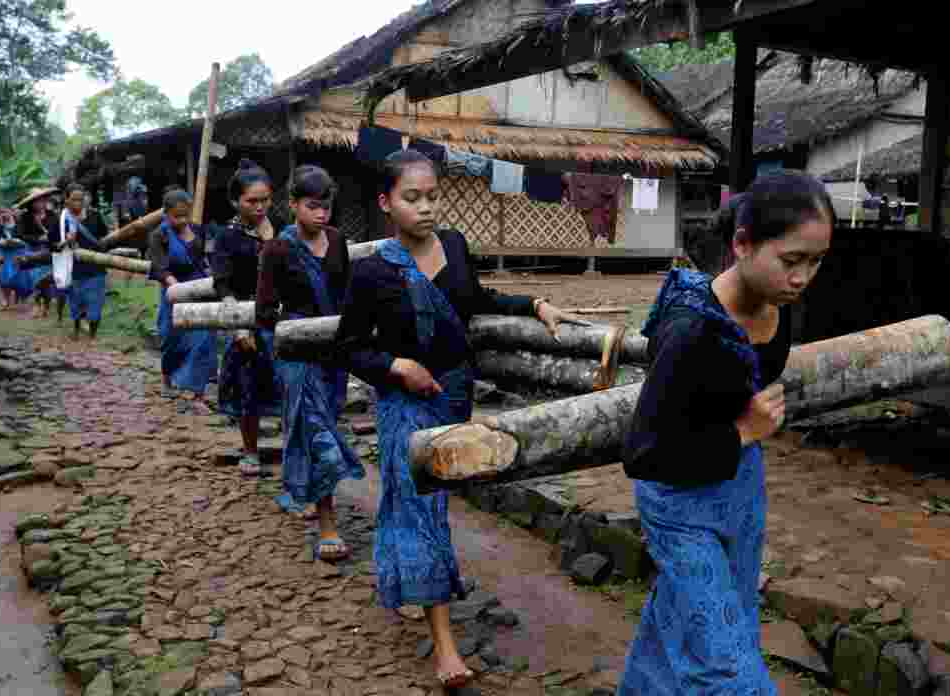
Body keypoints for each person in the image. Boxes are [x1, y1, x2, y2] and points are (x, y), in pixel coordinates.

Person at [334, 149, 584, 689]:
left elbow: (477, 298)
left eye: (432, 197)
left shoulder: (454, 247)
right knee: (423, 509)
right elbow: (349, 349)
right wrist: (396, 366)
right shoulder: (373, 273)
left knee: (411, 502)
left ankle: (403, 579)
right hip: (405, 404)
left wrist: (536, 304)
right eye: (412, 198)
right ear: (385, 203)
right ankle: (446, 644)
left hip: (452, 398)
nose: (426, 208)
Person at [617, 170, 833, 696]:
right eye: (791, 260)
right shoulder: (692, 332)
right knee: (728, 665)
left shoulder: (778, 305)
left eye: (816, 261)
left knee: (688, 619)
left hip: (738, 489)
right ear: (741, 244)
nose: (803, 277)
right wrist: (741, 431)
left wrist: (743, 436)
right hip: (678, 505)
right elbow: (643, 454)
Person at [256, 164, 362, 558]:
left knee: (319, 425)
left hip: (332, 354)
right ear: (294, 205)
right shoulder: (278, 249)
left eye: (326, 207)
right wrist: (297, 327)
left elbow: (349, 295)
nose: (321, 214)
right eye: (313, 206)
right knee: (317, 433)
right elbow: (265, 312)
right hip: (298, 355)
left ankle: (301, 488)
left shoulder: (337, 242)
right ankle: (328, 524)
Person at [212, 159, 284, 477]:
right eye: (251, 201)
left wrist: (270, 239)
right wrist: (239, 327)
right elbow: (223, 284)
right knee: (247, 387)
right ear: (235, 201)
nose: (259, 207)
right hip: (246, 321)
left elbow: (288, 269)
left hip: (283, 320)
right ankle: (251, 451)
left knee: (289, 385)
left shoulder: (280, 228)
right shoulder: (227, 238)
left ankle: (294, 450)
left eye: (264, 200)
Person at [149, 189, 218, 396]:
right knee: (171, 339)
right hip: (173, 291)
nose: (182, 220)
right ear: (166, 214)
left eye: (185, 215)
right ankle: (167, 379)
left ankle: (197, 391)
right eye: (176, 216)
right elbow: (160, 268)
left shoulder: (198, 231)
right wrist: (177, 288)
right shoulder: (158, 235)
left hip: (199, 291)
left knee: (203, 339)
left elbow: (207, 260)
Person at [56, 184, 109, 340]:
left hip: (96, 268)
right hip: (73, 268)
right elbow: (53, 245)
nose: (78, 203)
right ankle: (77, 330)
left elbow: (104, 238)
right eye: (74, 200)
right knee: (75, 303)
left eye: (81, 199)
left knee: (95, 305)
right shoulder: (62, 220)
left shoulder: (95, 215)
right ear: (67, 201)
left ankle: (92, 335)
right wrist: (66, 241)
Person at [14, 187, 60, 318]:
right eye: (37, 201)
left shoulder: (52, 215)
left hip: (49, 252)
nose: (41, 203)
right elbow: (20, 234)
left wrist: (49, 237)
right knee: (36, 279)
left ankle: (45, 306)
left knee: (47, 280)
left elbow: (58, 231)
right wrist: (37, 239)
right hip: (33, 252)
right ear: (32, 203)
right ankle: (37, 305)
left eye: (42, 200)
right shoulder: (25, 217)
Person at [0, 207, 23, 309]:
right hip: (1, 253)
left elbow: (21, 235)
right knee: (3, 278)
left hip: (15, 252)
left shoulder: (17, 222)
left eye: (5, 211)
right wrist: (0, 223)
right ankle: (6, 299)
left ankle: (16, 296)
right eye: (0, 212)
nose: (3, 214)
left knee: (15, 275)